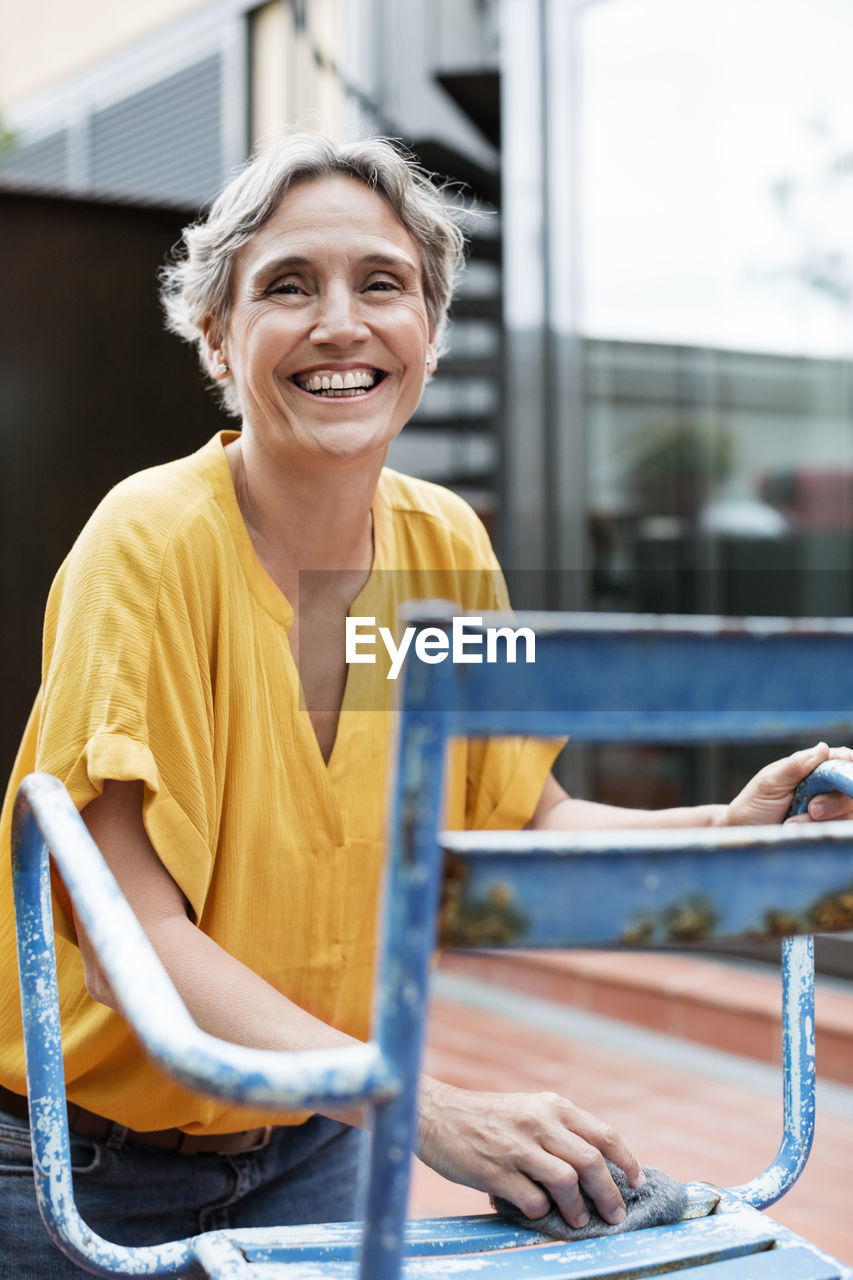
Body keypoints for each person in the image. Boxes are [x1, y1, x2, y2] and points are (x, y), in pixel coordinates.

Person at [0, 134, 851, 1278]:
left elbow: (523, 816)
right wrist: (432, 1108)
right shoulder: (146, 545)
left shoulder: (445, 550)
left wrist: (721, 828)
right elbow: (128, 942)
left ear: (431, 335)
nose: (340, 323)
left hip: (315, 1145)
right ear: (217, 337)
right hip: (73, 1175)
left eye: (382, 283)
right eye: (287, 285)